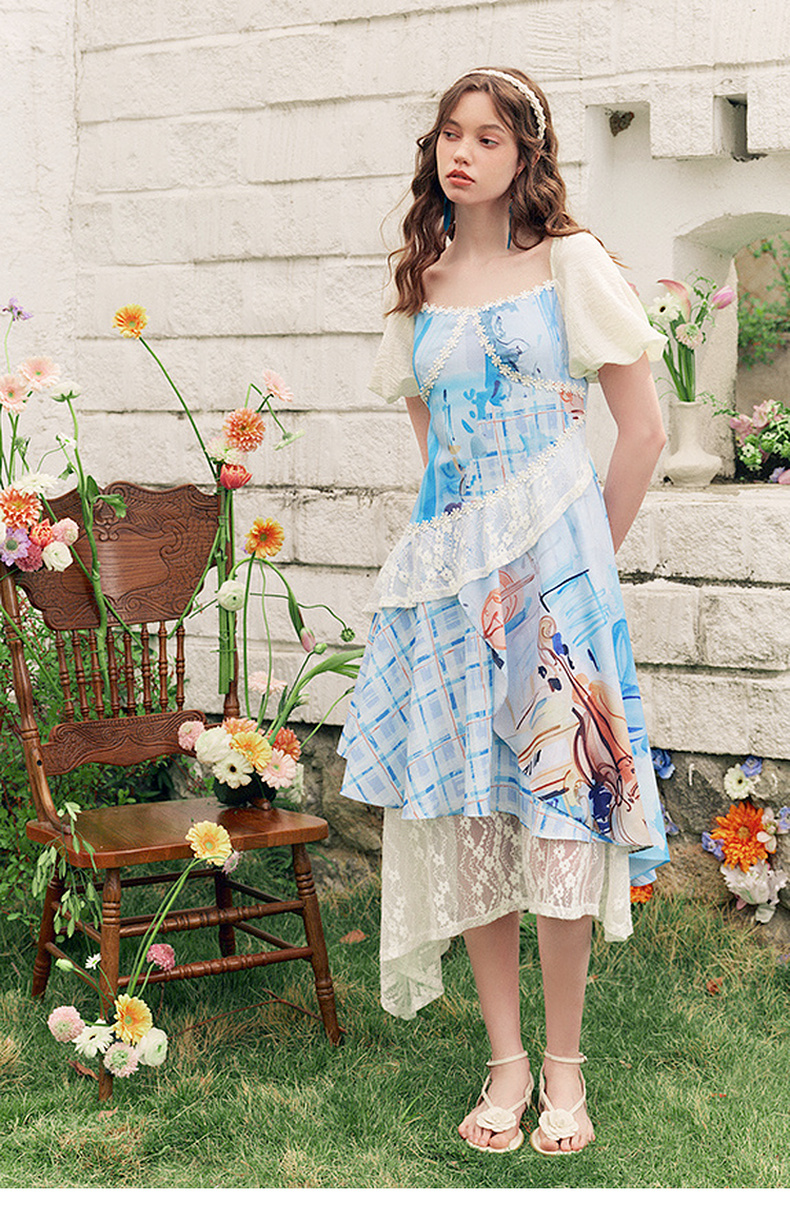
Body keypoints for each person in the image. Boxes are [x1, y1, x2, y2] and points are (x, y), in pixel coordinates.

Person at [337, 67, 670, 1155]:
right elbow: (434, 452)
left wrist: (584, 563)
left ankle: (565, 1069)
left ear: (527, 155)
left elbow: (643, 432)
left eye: (488, 137)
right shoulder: (422, 282)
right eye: (449, 134)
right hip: (450, 590)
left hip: (554, 585)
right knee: (474, 813)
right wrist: (461, 562)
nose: (462, 152)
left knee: (559, 809)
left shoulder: (569, 264)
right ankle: (506, 1062)